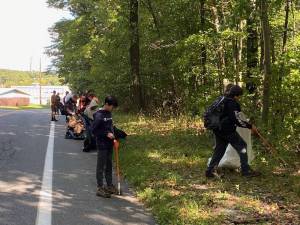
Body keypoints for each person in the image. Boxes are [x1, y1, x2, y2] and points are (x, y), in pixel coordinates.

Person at [205, 85, 260, 178]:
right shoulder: (231, 103)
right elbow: (236, 119)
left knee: (219, 149)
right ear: (236, 95)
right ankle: (246, 171)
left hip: (217, 129)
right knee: (242, 146)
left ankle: (210, 171)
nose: (239, 98)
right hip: (227, 130)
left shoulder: (221, 99)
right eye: (239, 96)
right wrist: (250, 126)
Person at [92, 96, 118, 198]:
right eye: (112, 107)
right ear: (106, 104)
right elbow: (94, 130)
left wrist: (114, 136)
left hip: (109, 144)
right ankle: (100, 187)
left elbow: (110, 126)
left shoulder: (109, 113)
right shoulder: (99, 115)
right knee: (101, 166)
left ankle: (109, 185)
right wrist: (106, 134)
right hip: (102, 144)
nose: (112, 109)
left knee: (109, 165)